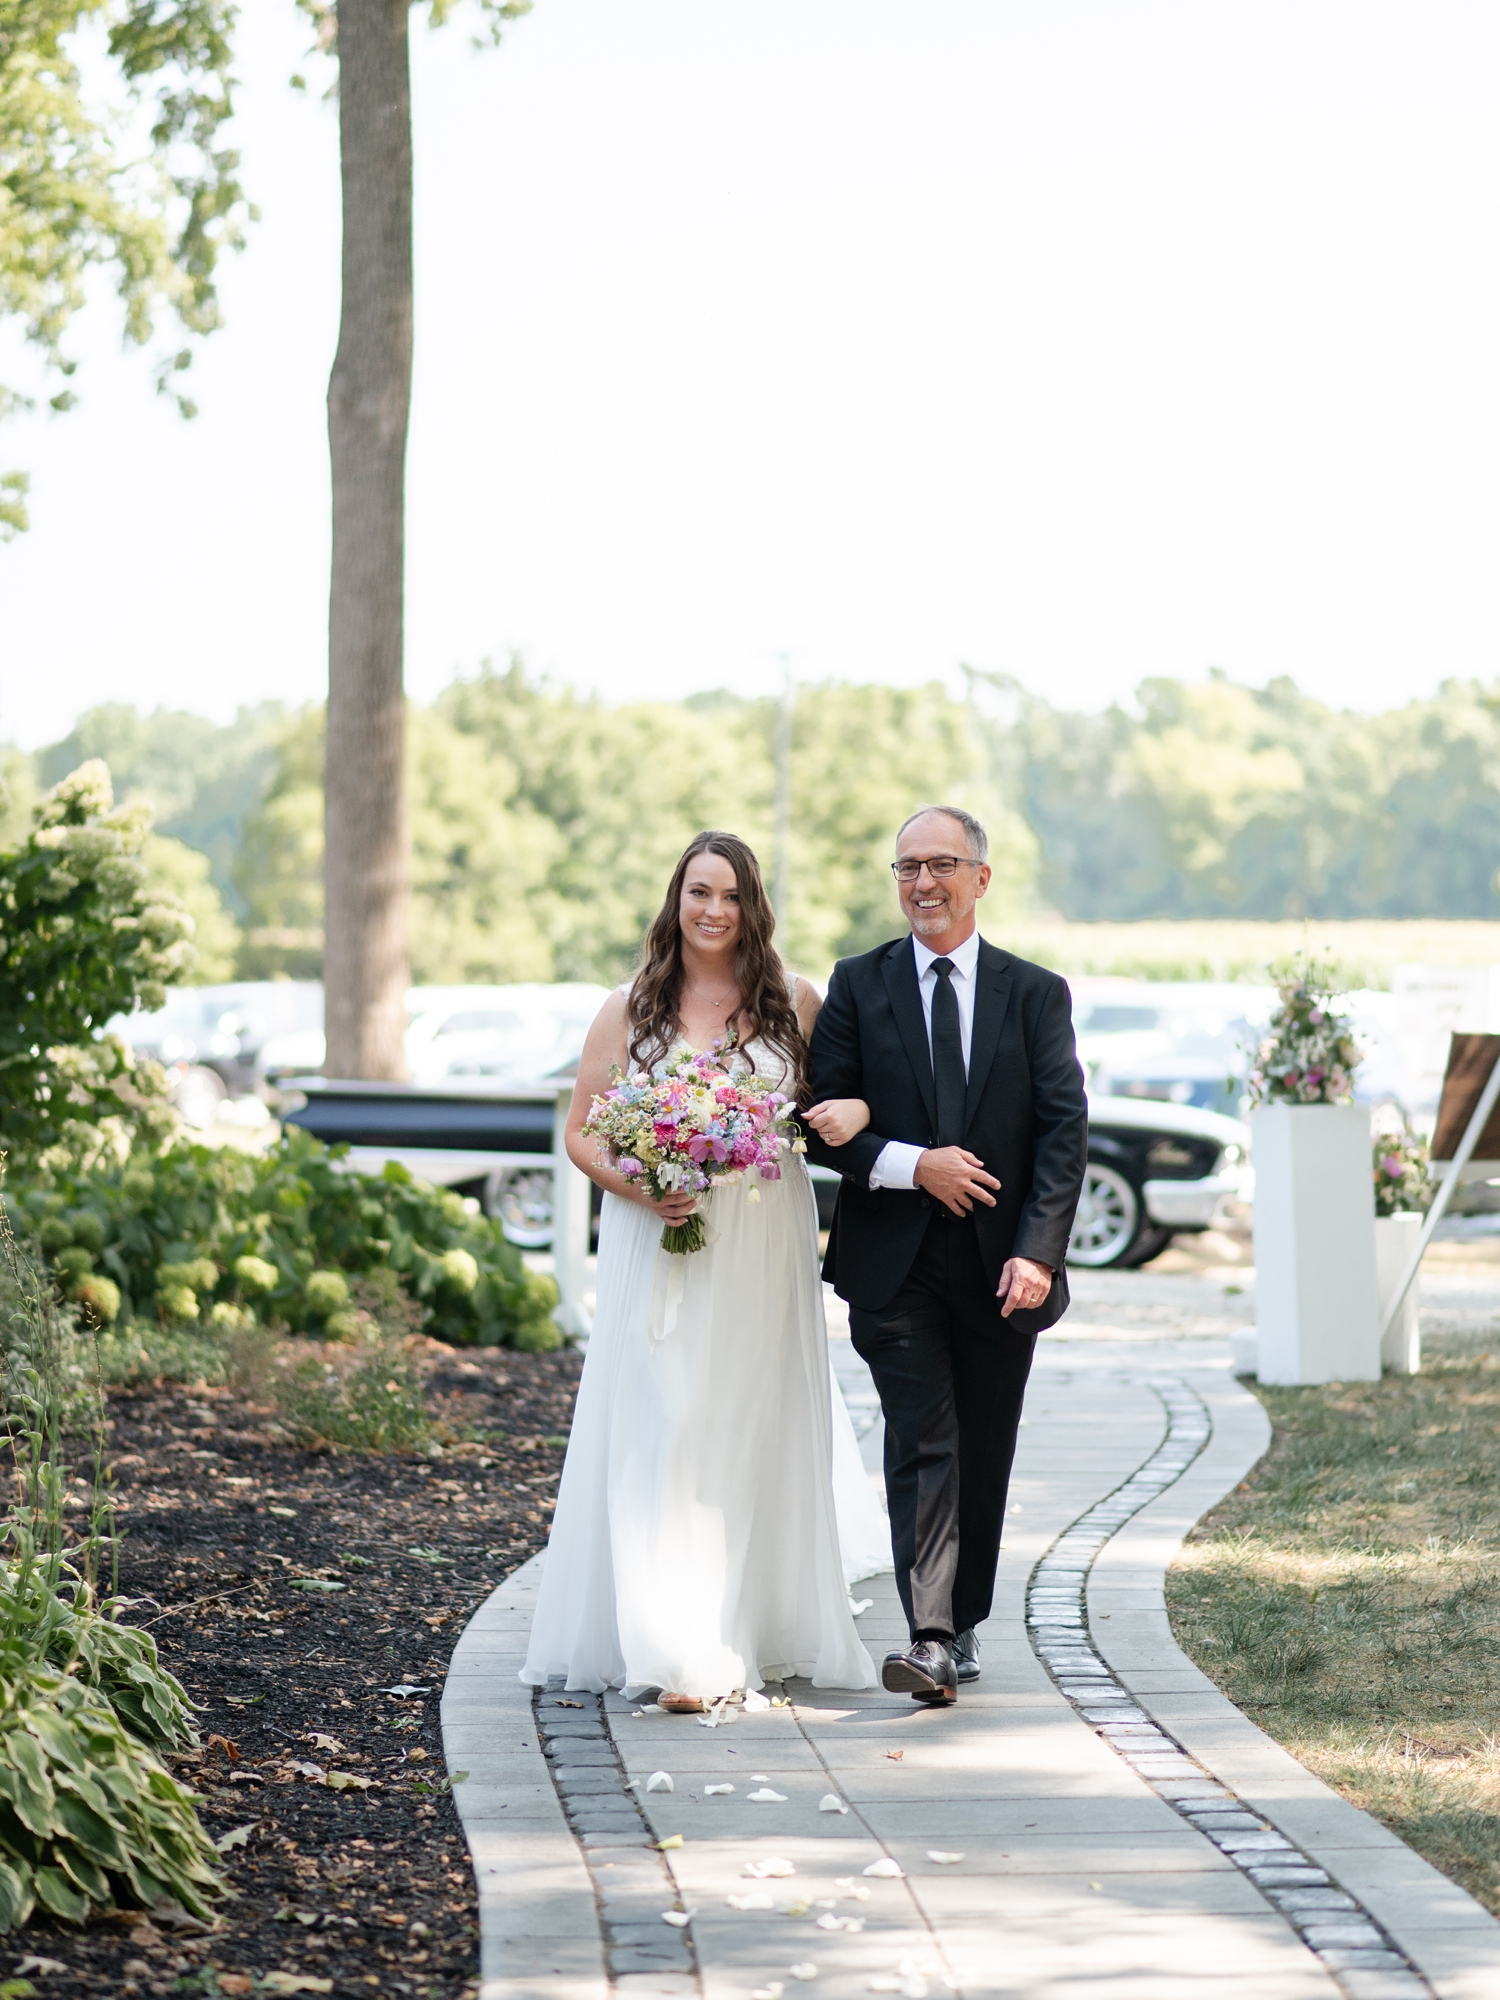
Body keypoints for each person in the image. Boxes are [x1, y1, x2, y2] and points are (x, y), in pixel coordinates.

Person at [521, 831, 887, 1708]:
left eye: (729, 894)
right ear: (675, 900)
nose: (713, 910)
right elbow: (581, 1131)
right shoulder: (629, 1007)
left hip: (763, 1242)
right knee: (670, 1420)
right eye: (698, 892)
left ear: (751, 905)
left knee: (746, 1419)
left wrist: (853, 1110)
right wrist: (639, 1186)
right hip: (663, 1240)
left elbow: (860, 1097)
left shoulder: (795, 1000)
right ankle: (676, 1643)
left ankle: (741, 1628)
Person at [802, 805, 1087, 1706]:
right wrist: (912, 1164)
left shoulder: (1035, 993)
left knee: (984, 1444)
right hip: (893, 1265)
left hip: (1005, 1268)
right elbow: (821, 1124)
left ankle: (961, 1620)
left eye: (941, 865)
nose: (922, 884)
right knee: (921, 1439)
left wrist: (1038, 1252)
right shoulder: (857, 983)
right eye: (906, 868)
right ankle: (927, 1636)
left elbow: (1062, 1133)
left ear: (980, 878)